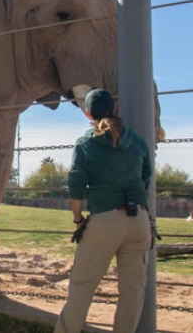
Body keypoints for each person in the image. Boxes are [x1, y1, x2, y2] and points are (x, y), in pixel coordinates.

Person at [55, 89, 153, 333]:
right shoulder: (138, 141)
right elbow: (145, 179)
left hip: (104, 220)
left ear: (87, 113)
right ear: (115, 109)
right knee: (133, 293)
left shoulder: (85, 143)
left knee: (81, 287)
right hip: (140, 220)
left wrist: (79, 222)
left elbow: (75, 191)